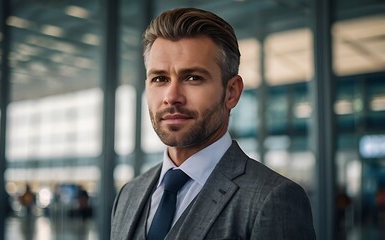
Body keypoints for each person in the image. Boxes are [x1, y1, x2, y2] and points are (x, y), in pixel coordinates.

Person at [111, 7, 316, 240]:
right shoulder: (129, 194)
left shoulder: (273, 198)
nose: (171, 96)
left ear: (231, 92)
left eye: (193, 78)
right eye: (160, 78)